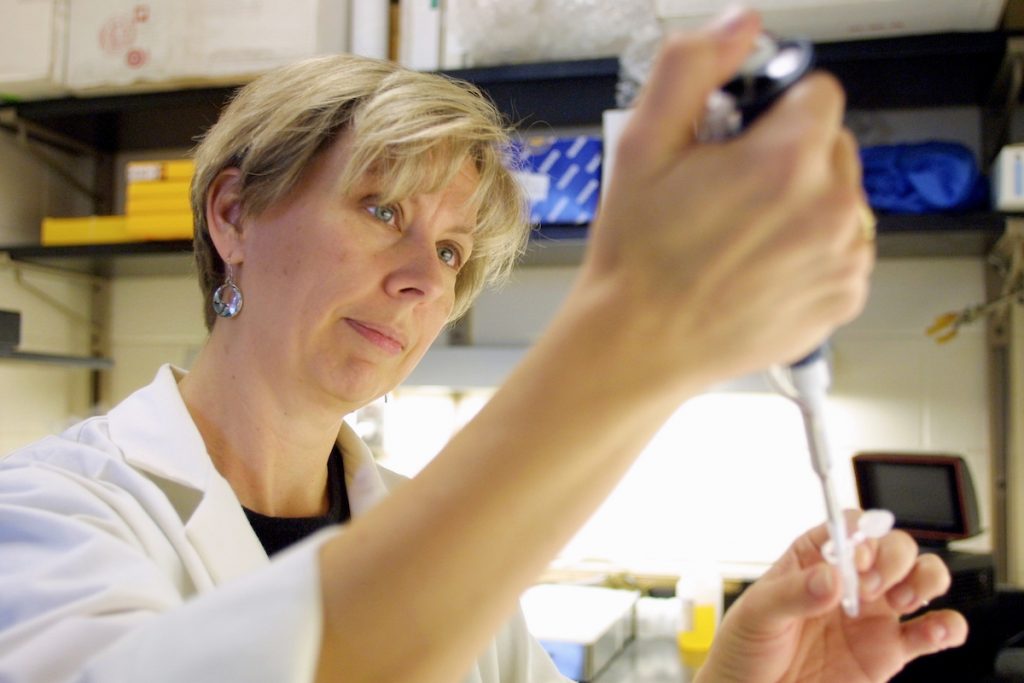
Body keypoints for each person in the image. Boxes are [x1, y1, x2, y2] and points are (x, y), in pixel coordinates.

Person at [0, 7, 966, 683]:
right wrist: (636, 334)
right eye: (384, 209)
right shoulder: (51, 514)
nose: (426, 279)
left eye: (454, 249)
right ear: (233, 213)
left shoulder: (433, 530)